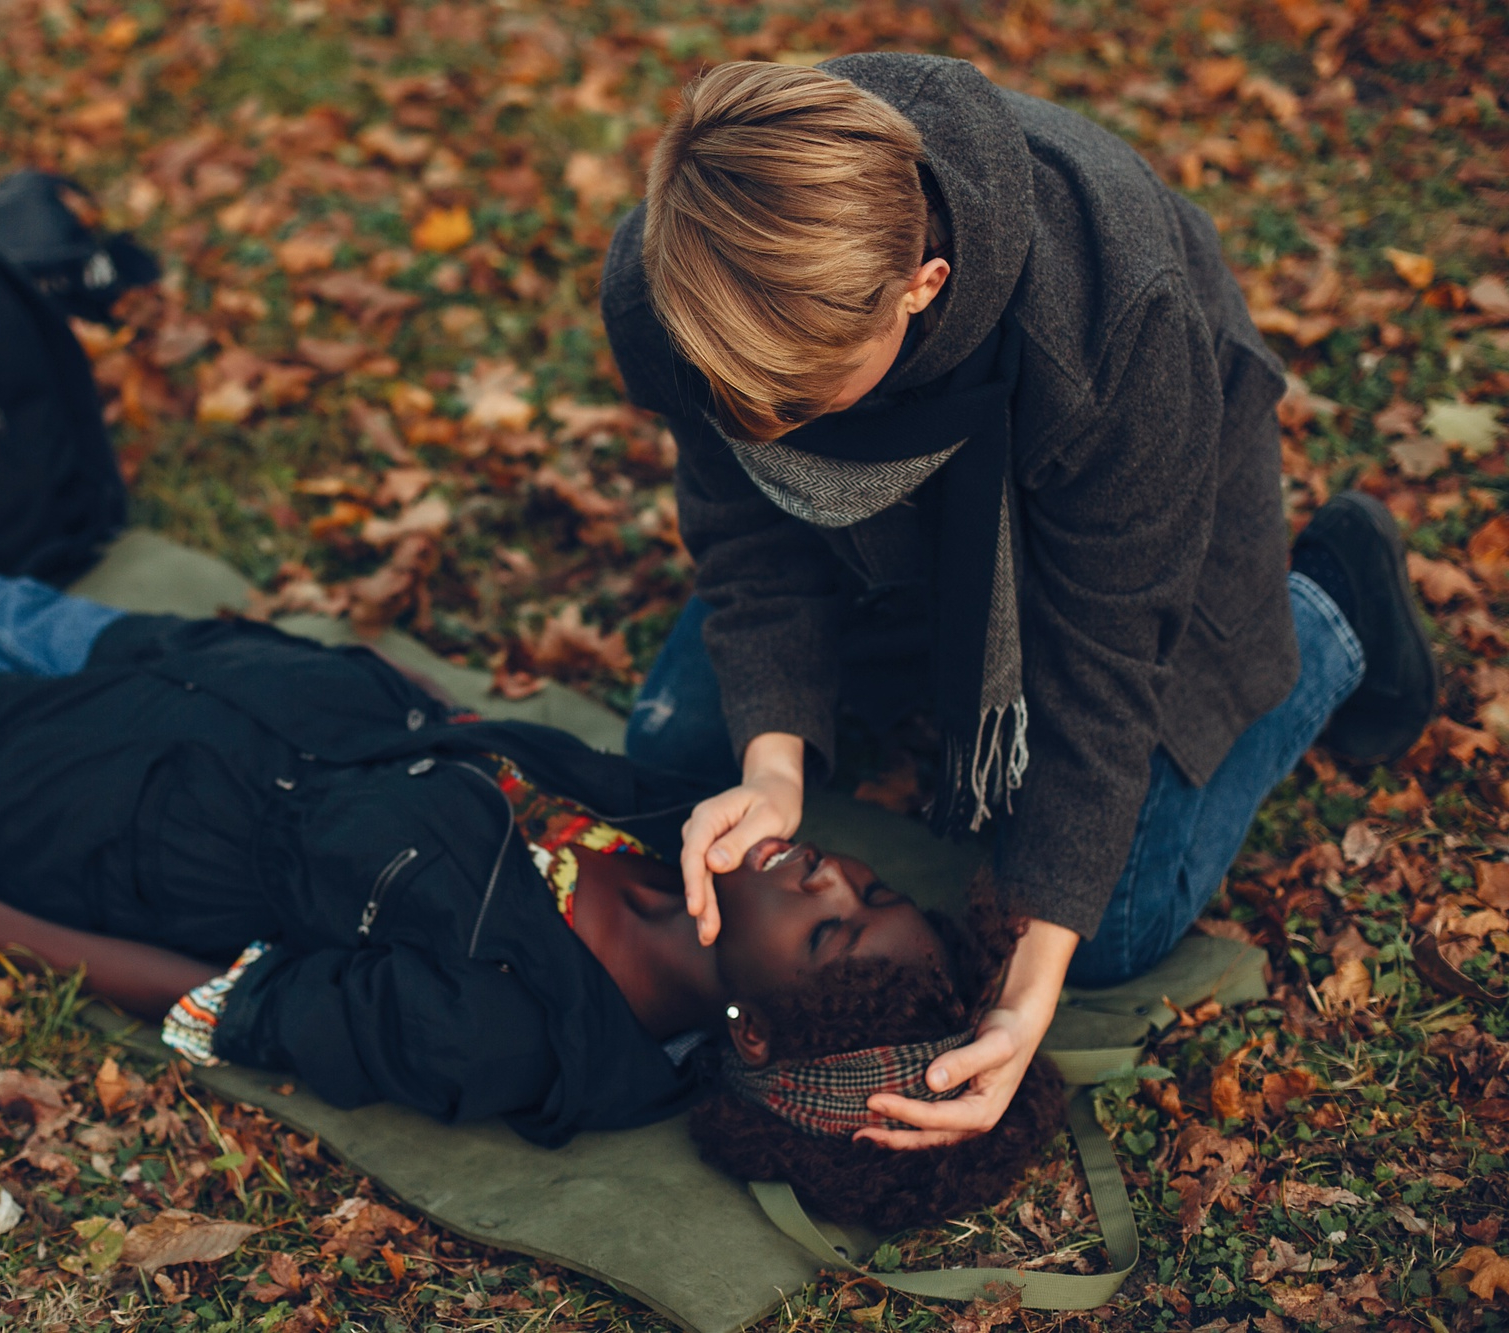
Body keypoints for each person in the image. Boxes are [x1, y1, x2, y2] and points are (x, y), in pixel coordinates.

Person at [0, 432, 1062, 1226]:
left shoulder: (512, 1038)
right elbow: (497, 755)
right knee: (11, 611)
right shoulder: (687, 828)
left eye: (835, 924)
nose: (827, 870)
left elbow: (251, 1001)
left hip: (105, 814)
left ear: (758, 1021)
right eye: (864, 882)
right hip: (231, 686)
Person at [601, 56, 1438, 1149]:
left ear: (923, 286)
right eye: (736, 398)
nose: (760, 427)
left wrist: (1030, 987)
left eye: (797, 398)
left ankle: (1329, 606)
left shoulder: (1109, 308)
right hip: (883, 537)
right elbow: (752, 539)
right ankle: (917, 646)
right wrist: (771, 766)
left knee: (1106, 924)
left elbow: (1104, 651)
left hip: (1136, 521)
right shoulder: (676, 281)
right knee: (673, 754)